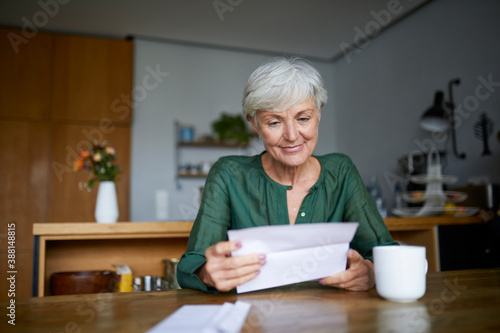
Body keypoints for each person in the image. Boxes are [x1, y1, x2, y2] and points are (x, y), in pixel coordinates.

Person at [177, 57, 397, 293]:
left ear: (319, 113)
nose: (292, 135)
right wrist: (207, 273)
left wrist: (370, 272)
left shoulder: (341, 171)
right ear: (254, 124)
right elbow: (191, 264)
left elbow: (384, 251)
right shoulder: (228, 175)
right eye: (274, 122)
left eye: (303, 118)